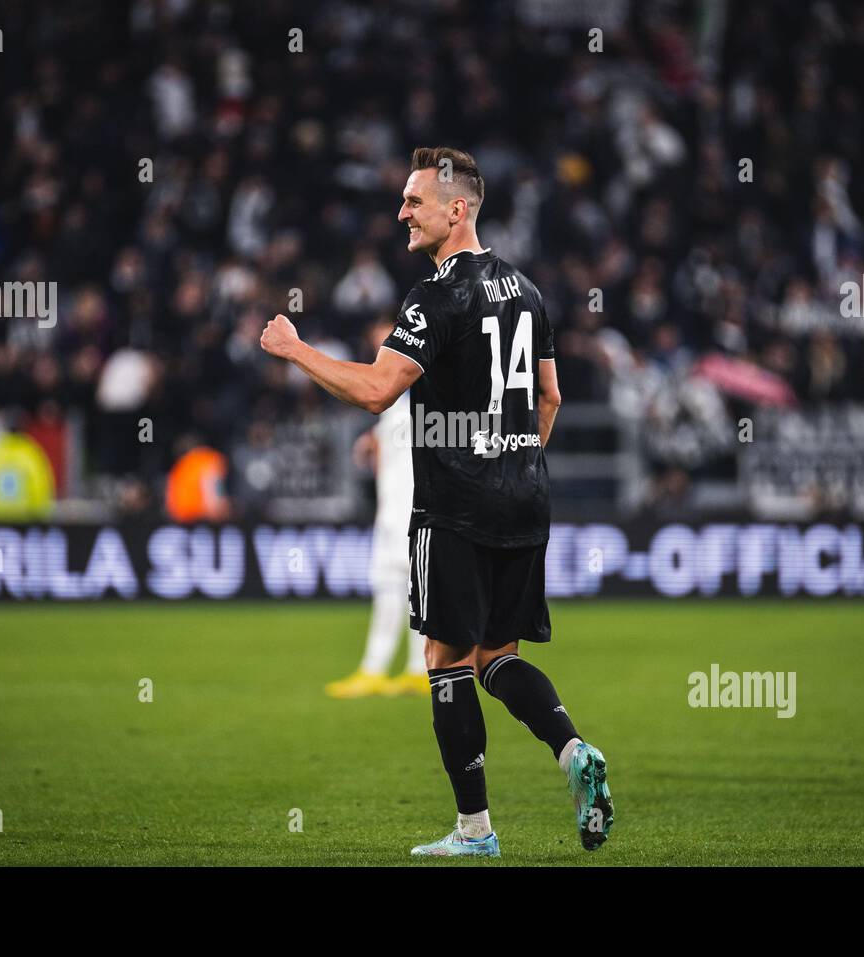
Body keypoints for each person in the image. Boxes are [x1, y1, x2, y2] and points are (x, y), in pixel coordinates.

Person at [260, 146, 613, 855]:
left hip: (454, 505)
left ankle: (475, 830)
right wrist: (516, 462)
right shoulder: (526, 290)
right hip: (525, 500)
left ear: (457, 209)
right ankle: (573, 748)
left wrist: (295, 349)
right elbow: (551, 396)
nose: (402, 213)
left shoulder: (437, 295)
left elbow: (373, 390)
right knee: (497, 655)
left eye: (414, 201)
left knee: (445, 659)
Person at [325, 319, 429, 699]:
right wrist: (373, 441)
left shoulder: (422, 391)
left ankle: (404, 668)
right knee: (397, 587)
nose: (381, 350)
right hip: (392, 510)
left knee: (410, 588)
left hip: (414, 509)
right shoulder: (398, 401)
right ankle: (392, 668)